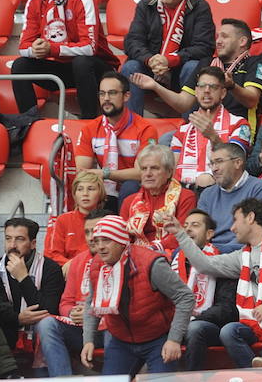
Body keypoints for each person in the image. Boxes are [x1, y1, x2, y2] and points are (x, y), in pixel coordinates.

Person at [171, 196, 262, 368]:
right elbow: (205, 264)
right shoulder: (243, 256)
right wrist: (180, 234)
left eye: (235, 220)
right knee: (228, 331)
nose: (232, 228)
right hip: (258, 323)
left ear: (250, 218)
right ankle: (258, 376)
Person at [79, 215, 196, 375]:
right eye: (96, 241)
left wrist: (174, 339)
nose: (100, 247)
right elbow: (91, 304)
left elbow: (185, 298)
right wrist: (88, 340)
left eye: (106, 240)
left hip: (158, 338)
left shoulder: (152, 263)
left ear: (121, 242)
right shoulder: (97, 265)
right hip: (121, 340)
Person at [12, 0, 118, 119]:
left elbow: (89, 48)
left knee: (81, 62)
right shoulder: (34, 1)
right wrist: (35, 49)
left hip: (97, 69)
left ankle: (88, 121)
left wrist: (51, 49)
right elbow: (23, 47)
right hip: (62, 69)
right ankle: (29, 122)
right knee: (20, 66)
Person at [132, 18, 262, 136]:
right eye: (218, 37)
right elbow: (182, 104)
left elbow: (252, 100)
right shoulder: (206, 63)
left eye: (225, 36)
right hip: (201, 129)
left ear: (242, 41)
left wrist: (232, 86)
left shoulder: (254, 63)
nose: (218, 41)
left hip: (236, 132)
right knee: (166, 141)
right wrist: (155, 86)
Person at [121, 0, 216, 114]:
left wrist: (171, 60)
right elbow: (132, 41)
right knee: (130, 68)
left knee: (193, 68)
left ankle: (190, 128)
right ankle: (131, 129)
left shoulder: (200, 7)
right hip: (152, 66)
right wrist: (150, 59)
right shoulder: (146, 5)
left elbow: (204, 47)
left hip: (181, 68)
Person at [37, 209, 110, 377]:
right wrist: (71, 312)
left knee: (116, 328)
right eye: (87, 232)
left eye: (97, 231)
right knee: (46, 324)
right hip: (80, 328)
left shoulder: (122, 258)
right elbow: (65, 302)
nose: (91, 237)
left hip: (110, 327)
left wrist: (91, 314)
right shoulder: (78, 261)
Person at [73, 72, 160, 206]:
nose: (106, 98)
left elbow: (142, 173)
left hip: (133, 190)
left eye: (112, 93)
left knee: (130, 185)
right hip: (102, 189)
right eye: (102, 94)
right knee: (85, 187)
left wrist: (106, 173)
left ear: (126, 96)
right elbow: (82, 171)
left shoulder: (145, 129)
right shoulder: (89, 129)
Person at [0, 216, 66, 358]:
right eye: (8, 238)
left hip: (40, 337)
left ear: (33, 243)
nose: (12, 245)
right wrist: (18, 319)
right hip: (6, 335)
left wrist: (23, 278)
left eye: (19, 239)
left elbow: (49, 310)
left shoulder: (51, 268)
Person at [171, 209, 237, 371]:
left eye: (195, 225)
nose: (187, 229)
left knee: (195, 328)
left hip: (210, 326)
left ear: (209, 234)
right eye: (184, 225)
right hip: (175, 324)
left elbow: (226, 309)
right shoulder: (172, 264)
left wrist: (192, 320)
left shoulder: (222, 262)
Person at [165, 66, 252, 190]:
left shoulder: (239, 124)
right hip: (182, 191)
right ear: (196, 91)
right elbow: (172, 170)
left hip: (220, 190)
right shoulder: (183, 130)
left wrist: (213, 137)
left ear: (223, 93)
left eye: (213, 87)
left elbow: (236, 163)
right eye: (202, 86)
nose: (206, 90)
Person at [197, 143, 262, 251]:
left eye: (219, 161)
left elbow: (254, 233)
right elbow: (199, 232)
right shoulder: (207, 194)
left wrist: (216, 251)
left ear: (237, 163)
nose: (214, 169)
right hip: (209, 253)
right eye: (212, 163)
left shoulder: (260, 189)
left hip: (242, 254)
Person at [121, 143, 198, 251]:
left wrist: (152, 250)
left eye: (154, 168)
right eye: (143, 169)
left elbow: (183, 234)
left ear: (169, 172)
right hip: (135, 257)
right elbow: (123, 239)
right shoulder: (129, 202)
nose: (148, 173)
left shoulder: (185, 197)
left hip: (169, 254)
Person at [46, 169, 106, 270]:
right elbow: (52, 254)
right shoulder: (63, 220)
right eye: (80, 189)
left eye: (91, 189)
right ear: (74, 194)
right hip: (69, 270)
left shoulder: (108, 220)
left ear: (100, 193)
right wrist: (75, 265)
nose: (85, 193)